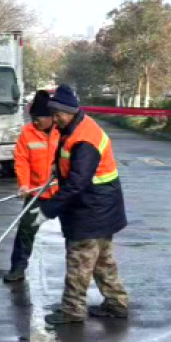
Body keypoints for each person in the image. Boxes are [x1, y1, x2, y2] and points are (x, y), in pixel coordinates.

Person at [36, 84, 129, 326]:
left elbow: (78, 182)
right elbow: (74, 167)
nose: (55, 119)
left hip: (92, 208)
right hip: (101, 206)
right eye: (52, 114)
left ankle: (72, 310)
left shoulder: (85, 138)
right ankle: (116, 303)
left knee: (79, 261)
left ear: (70, 111)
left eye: (58, 114)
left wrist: (49, 208)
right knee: (102, 260)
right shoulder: (75, 127)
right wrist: (59, 170)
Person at [4, 90, 60, 283]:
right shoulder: (27, 132)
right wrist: (24, 185)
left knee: (75, 232)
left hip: (63, 192)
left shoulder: (63, 130)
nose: (35, 122)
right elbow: (22, 160)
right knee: (26, 229)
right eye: (33, 118)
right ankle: (18, 268)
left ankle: (78, 274)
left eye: (39, 118)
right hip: (37, 192)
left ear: (51, 117)